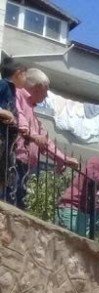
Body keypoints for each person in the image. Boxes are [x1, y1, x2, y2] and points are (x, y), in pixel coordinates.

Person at [12, 68, 79, 208]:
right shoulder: (17, 95)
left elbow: (45, 141)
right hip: (14, 158)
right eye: (46, 90)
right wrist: (33, 135)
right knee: (11, 198)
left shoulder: (32, 111)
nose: (47, 95)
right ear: (37, 88)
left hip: (23, 164)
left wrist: (64, 159)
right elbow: (19, 119)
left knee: (18, 202)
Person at [0, 59, 26, 201]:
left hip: (7, 141)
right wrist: (4, 112)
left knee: (4, 172)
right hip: (1, 137)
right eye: (25, 75)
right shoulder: (3, 85)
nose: (26, 79)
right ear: (18, 73)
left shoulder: (13, 91)